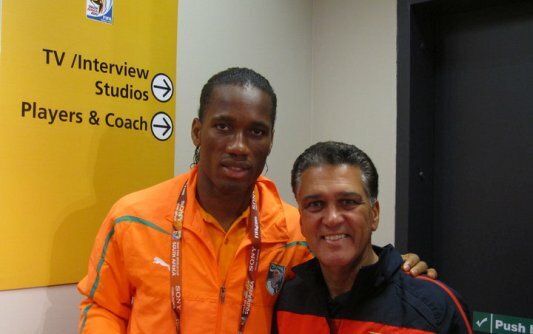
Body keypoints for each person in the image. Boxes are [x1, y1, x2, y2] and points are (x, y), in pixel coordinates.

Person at [77, 68, 434, 334]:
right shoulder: (132, 218)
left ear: (271, 140)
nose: (238, 146)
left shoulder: (301, 232)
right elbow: (103, 308)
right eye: (223, 126)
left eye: (256, 132)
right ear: (197, 132)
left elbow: (351, 279)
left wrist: (398, 272)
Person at [273, 141, 473, 334]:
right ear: (301, 221)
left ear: (374, 214)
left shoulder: (435, 307)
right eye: (315, 204)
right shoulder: (286, 301)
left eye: (348, 202)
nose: (332, 219)